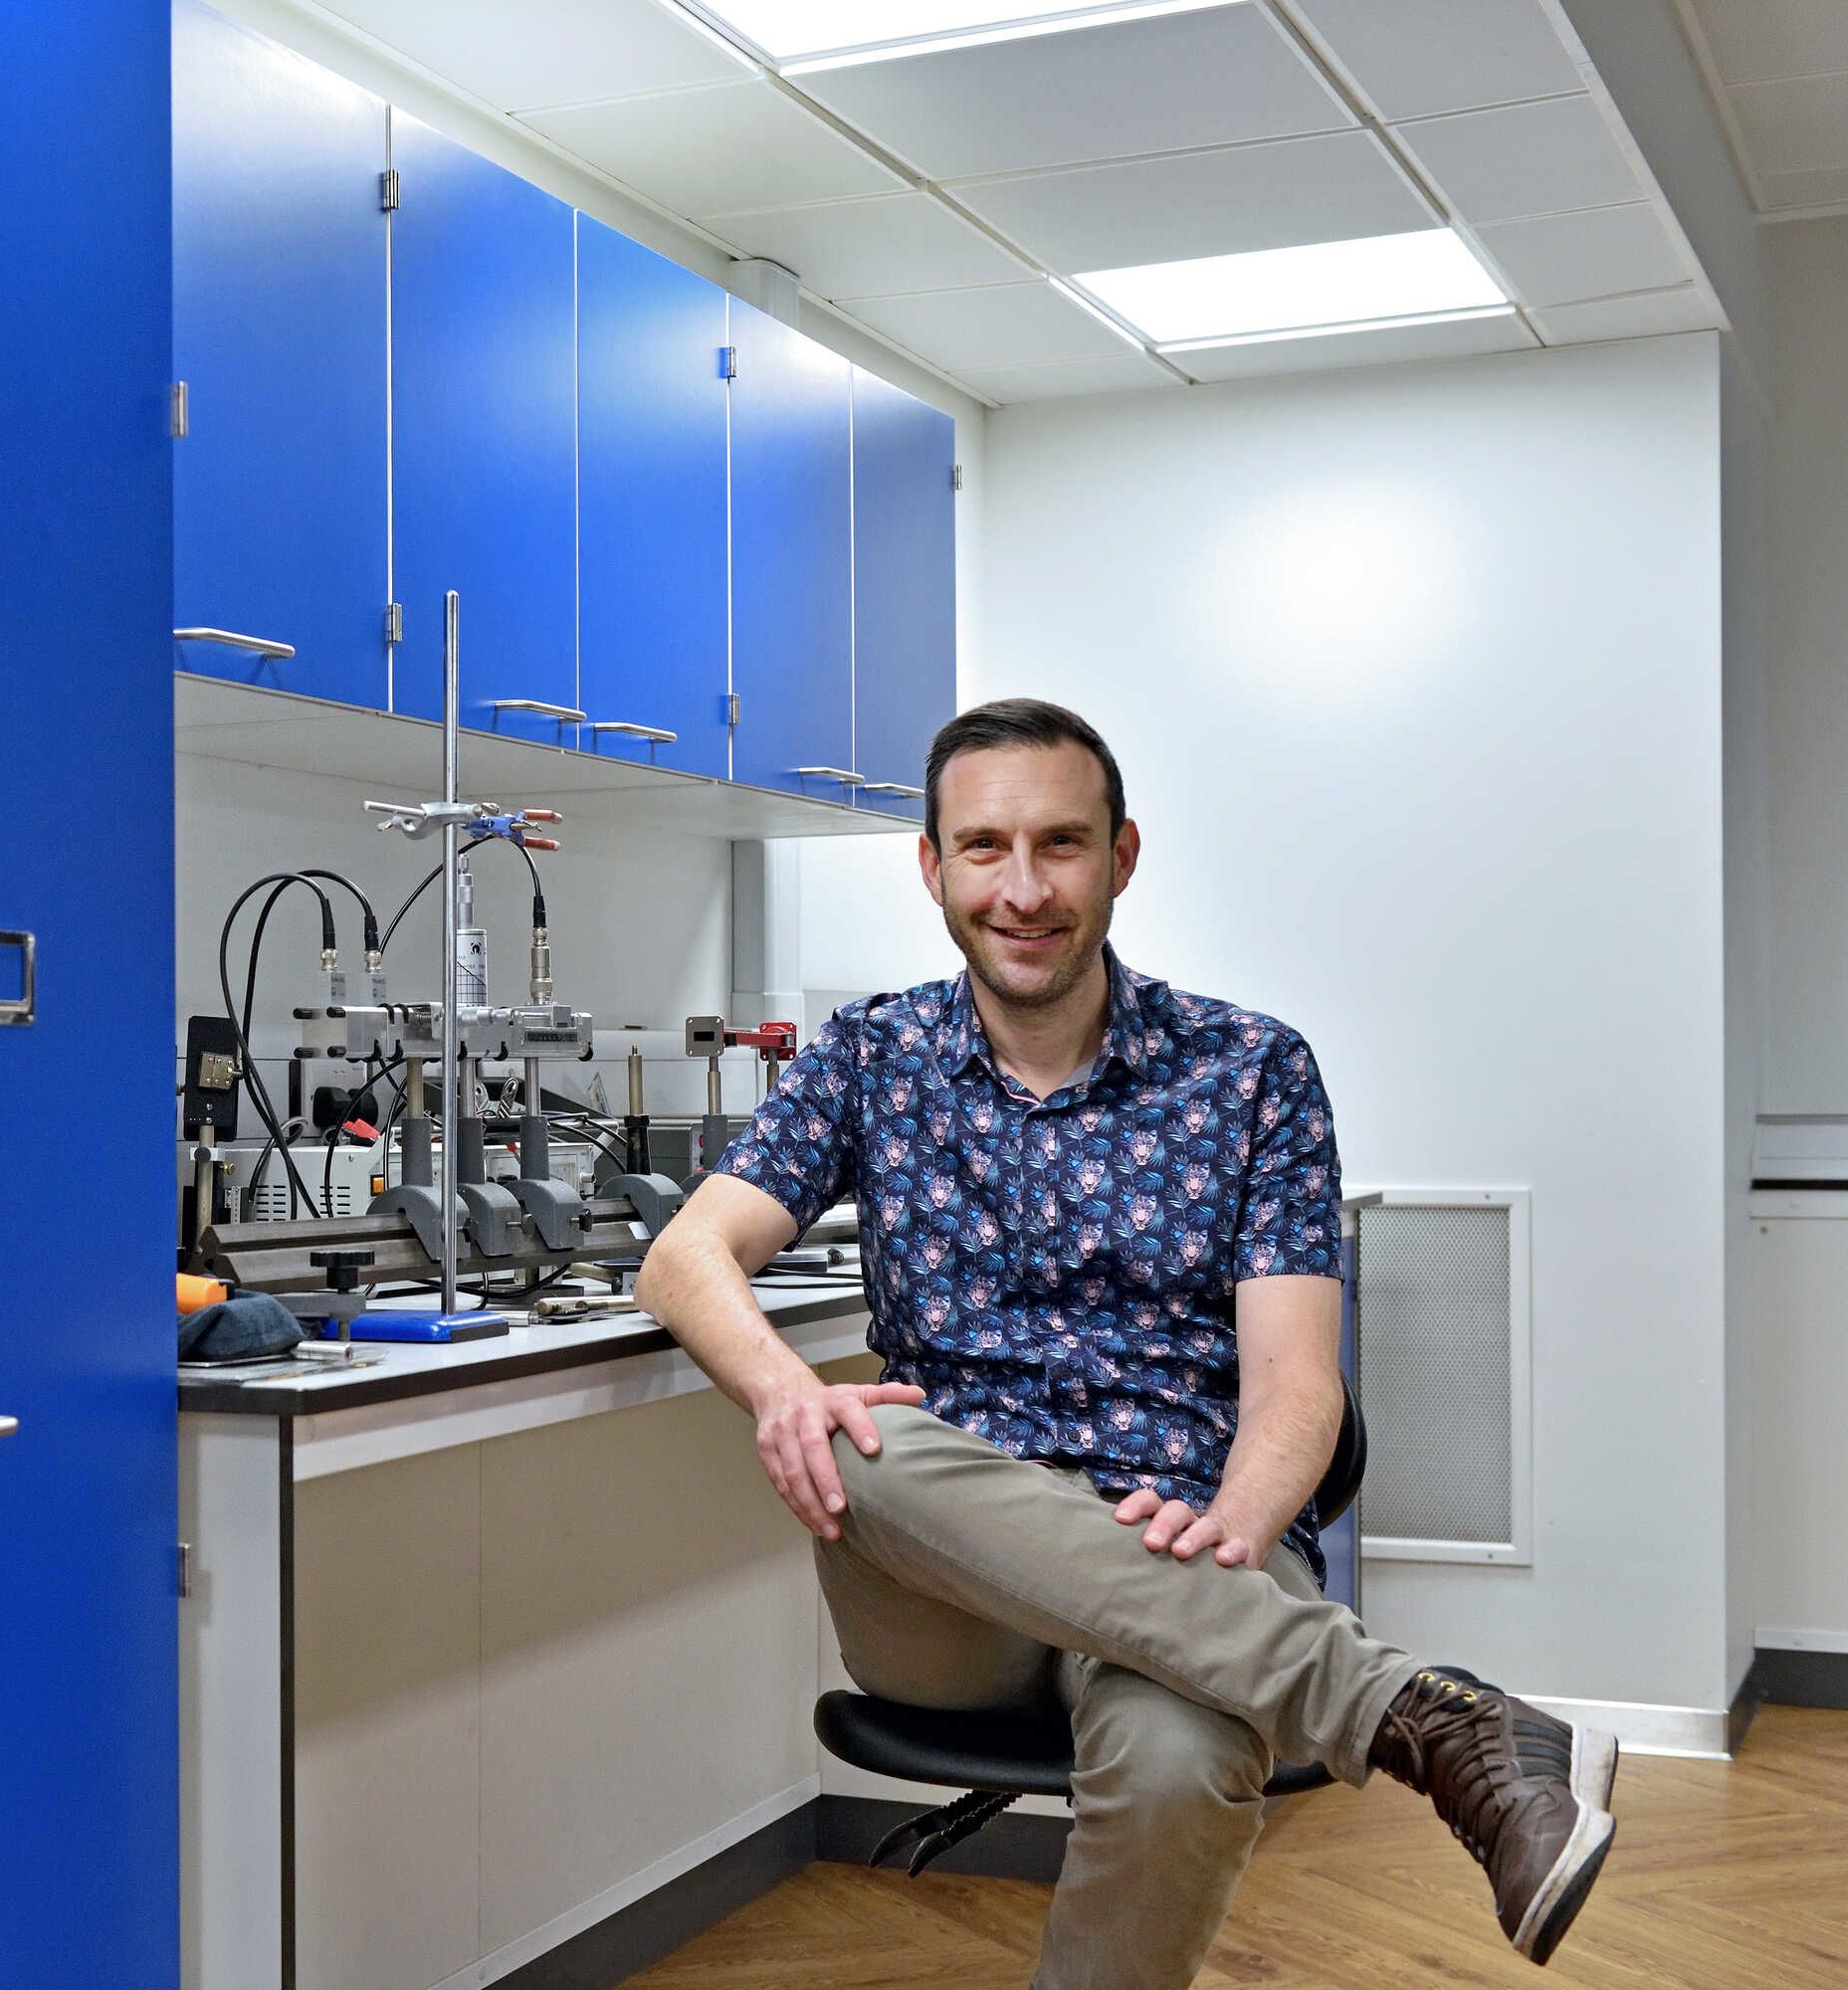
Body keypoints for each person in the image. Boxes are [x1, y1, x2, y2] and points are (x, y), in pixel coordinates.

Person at [634, 698, 1617, 1987]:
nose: (1024, 889)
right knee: (863, 1435)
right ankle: (1416, 1716)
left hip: (1188, 1542)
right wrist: (779, 1389)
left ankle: (1394, 1710)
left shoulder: (1251, 1070)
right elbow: (684, 1258)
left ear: (1122, 855)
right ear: (932, 867)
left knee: (1181, 1760)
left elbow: (1297, 1387)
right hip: (948, 1597)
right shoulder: (874, 1056)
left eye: (1061, 843)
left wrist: (1236, 1527)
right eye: (984, 847)